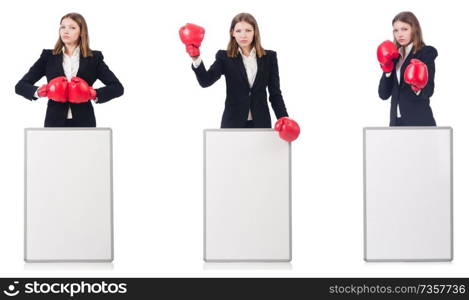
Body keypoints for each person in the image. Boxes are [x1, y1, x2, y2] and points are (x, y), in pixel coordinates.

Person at [179, 13, 300, 141]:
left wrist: (284, 119)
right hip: (232, 123)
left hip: (260, 123)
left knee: (260, 161)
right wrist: (195, 57)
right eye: (238, 30)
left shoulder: (269, 57)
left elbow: (275, 93)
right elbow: (206, 81)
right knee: (230, 160)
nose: (243, 35)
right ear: (232, 33)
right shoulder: (224, 57)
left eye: (248, 30)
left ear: (255, 32)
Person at [15, 12, 124, 127]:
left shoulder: (94, 58)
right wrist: (41, 91)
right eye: (63, 27)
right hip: (54, 122)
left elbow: (117, 88)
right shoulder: (48, 57)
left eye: (72, 27)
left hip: (84, 122)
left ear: (81, 32)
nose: (65, 31)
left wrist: (93, 93)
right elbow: (20, 86)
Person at [377, 11, 437, 126]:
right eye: (396, 30)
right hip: (396, 123)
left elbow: (428, 91)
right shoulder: (393, 56)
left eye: (404, 29)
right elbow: (383, 94)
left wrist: (417, 87)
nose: (399, 34)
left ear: (414, 30)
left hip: (419, 121)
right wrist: (387, 70)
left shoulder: (425, 53)